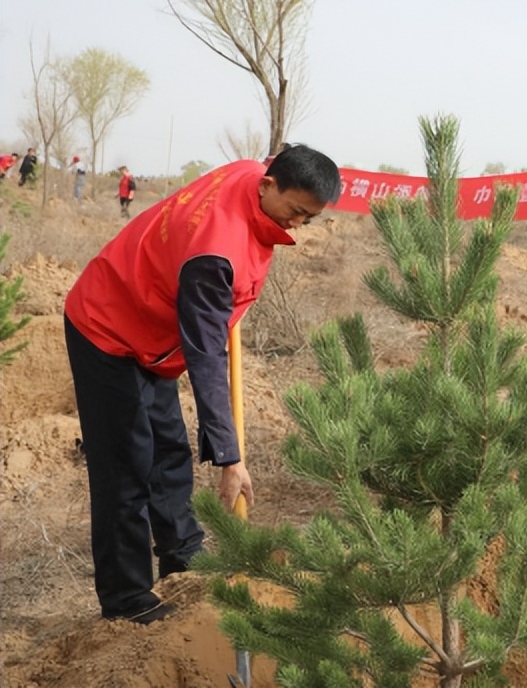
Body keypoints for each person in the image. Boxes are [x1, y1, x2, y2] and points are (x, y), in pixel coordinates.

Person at [63, 144, 340, 624]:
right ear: (268, 185)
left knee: (168, 452)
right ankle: (127, 599)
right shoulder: (216, 254)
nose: (297, 225)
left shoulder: (255, 171)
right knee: (126, 470)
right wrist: (230, 458)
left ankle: (182, 556)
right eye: (295, 212)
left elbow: (276, 155)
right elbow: (207, 355)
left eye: (308, 219)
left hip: (150, 328)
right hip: (108, 328)